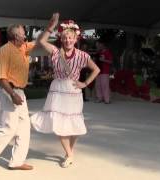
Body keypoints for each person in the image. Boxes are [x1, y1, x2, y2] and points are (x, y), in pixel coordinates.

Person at [31, 13, 99, 168]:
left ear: (76, 39)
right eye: (65, 37)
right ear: (61, 38)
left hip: (73, 91)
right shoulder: (55, 51)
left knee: (74, 123)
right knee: (58, 123)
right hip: (57, 89)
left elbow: (96, 69)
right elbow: (41, 41)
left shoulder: (82, 55)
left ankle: (69, 151)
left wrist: (85, 83)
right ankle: (69, 154)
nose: (68, 40)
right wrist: (51, 26)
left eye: (71, 37)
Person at [0, 24, 36, 171]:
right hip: (9, 91)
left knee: (24, 128)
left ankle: (16, 161)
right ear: (16, 36)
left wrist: (49, 28)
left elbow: (40, 41)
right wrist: (13, 94)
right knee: (8, 128)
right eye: (23, 33)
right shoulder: (4, 51)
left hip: (19, 92)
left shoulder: (23, 47)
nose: (25, 35)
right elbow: (1, 78)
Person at [94, 39, 113, 104]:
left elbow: (110, 61)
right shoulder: (98, 52)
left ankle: (107, 99)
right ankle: (100, 98)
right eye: (97, 45)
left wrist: (103, 60)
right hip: (98, 71)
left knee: (105, 85)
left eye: (98, 44)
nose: (97, 46)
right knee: (98, 85)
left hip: (105, 71)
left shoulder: (107, 52)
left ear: (102, 44)